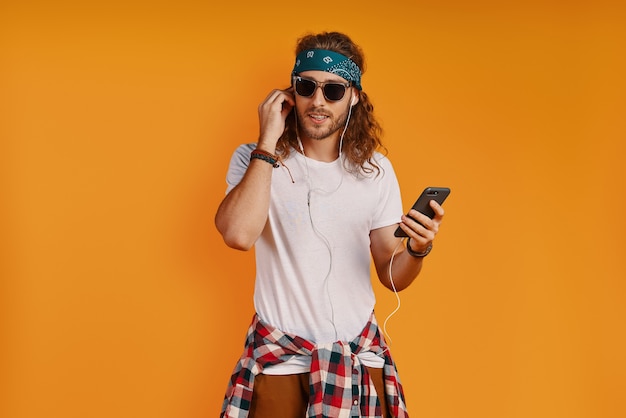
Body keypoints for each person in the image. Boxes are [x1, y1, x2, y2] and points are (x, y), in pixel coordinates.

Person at [216, 31, 445, 418]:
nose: (318, 101)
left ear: (354, 95)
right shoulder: (256, 158)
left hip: (356, 366)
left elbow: (391, 274)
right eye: (307, 87)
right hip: (282, 366)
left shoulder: (374, 171)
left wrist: (418, 250)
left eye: (333, 90)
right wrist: (268, 142)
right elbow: (238, 235)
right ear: (291, 93)